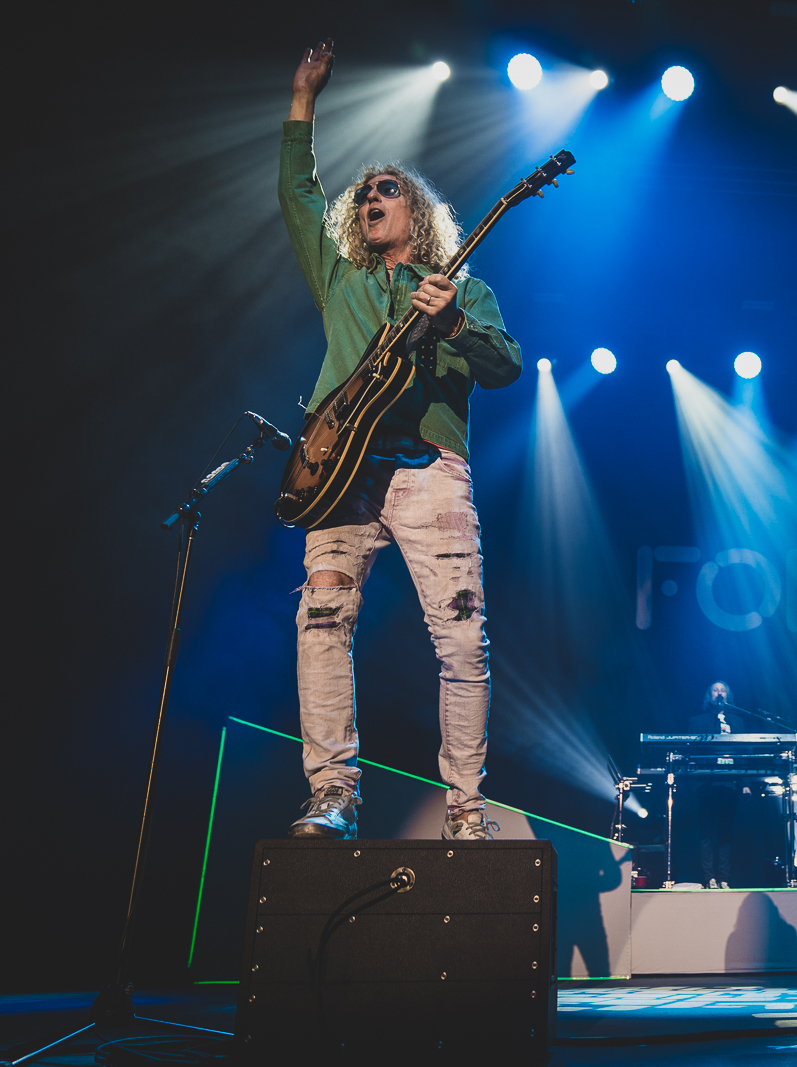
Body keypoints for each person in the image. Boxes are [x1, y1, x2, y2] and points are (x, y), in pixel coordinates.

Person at [280, 41, 523, 841]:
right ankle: (334, 791)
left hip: (428, 469)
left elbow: (505, 366)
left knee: (460, 636)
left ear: (416, 210)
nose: (370, 198)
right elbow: (296, 190)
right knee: (321, 620)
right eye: (365, 194)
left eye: (387, 190)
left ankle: (464, 806)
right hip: (338, 468)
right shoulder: (342, 277)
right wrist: (303, 99)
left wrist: (450, 319)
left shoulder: (462, 287)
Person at [687, 682, 748, 886]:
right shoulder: (697, 721)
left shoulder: (737, 720)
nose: (719, 693)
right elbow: (691, 752)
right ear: (709, 696)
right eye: (715, 690)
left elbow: (743, 753)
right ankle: (709, 877)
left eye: (723, 690)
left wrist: (744, 781)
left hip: (729, 781)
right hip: (706, 782)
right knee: (706, 832)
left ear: (728, 695)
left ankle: (723, 878)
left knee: (725, 832)